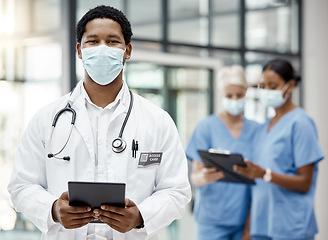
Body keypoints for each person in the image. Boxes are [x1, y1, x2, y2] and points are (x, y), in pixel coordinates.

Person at [7, 5, 191, 240]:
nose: (102, 48)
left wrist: (141, 216)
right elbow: (21, 186)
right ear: (79, 50)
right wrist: (53, 209)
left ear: (127, 51)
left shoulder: (158, 121)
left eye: (112, 41)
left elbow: (176, 191)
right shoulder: (47, 119)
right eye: (93, 41)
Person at [234, 59, 324, 240]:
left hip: (291, 226)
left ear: (290, 86)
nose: (267, 91)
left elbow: (305, 182)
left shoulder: (301, 124)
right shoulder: (264, 128)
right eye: (263, 86)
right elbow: (257, 183)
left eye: (273, 86)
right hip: (261, 225)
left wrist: (265, 174)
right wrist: (248, 228)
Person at [185, 65, 259, 240]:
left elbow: (259, 176)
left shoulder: (257, 130)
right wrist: (203, 177)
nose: (234, 100)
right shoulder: (206, 127)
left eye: (239, 95)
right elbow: (195, 176)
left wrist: (249, 226)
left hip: (245, 217)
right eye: (229, 96)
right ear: (220, 93)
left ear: (246, 93)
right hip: (211, 218)